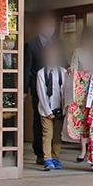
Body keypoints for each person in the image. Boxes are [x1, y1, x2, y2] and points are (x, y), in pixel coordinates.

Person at [25, 12, 60, 165]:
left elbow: (63, 63)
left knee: (57, 122)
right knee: (40, 120)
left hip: (57, 89)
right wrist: (24, 89)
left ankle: (53, 153)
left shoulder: (57, 42)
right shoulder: (31, 45)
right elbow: (26, 68)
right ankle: (40, 152)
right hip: (38, 87)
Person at [69, 26, 93, 162]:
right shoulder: (77, 52)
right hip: (81, 90)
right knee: (82, 120)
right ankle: (82, 149)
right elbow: (73, 68)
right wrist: (73, 71)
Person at [36, 42, 67, 171]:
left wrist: (65, 108)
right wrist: (48, 111)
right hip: (45, 110)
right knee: (47, 135)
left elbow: (65, 92)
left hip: (59, 109)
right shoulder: (41, 73)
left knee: (57, 136)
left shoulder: (63, 72)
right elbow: (41, 94)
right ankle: (47, 159)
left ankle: (56, 157)